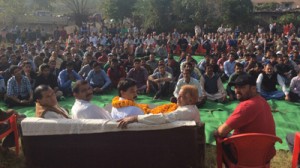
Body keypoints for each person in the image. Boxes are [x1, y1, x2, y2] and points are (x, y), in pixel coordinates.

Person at [215, 73, 276, 162]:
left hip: (245, 155)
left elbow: (221, 132)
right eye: (235, 87)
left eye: (242, 87)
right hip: (265, 155)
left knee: (218, 134)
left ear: (253, 88)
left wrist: (217, 131)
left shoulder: (246, 106)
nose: (236, 91)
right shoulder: (263, 101)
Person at [117, 85, 200, 127]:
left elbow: (163, 118)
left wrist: (135, 118)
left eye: (182, 96)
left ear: (190, 100)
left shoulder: (186, 111)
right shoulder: (190, 108)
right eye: (178, 95)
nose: (177, 98)